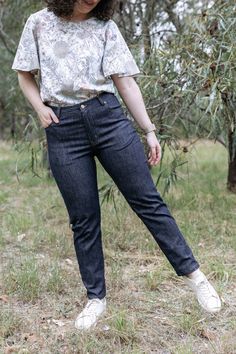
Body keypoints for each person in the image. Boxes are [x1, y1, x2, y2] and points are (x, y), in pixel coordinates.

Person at [11, 0, 221, 331]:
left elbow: (125, 82)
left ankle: (196, 277)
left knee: (148, 201)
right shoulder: (38, 23)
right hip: (63, 128)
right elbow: (24, 73)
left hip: (108, 118)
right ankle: (96, 299)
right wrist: (39, 108)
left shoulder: (105, 27)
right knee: (83, 219)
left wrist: (149, 130)